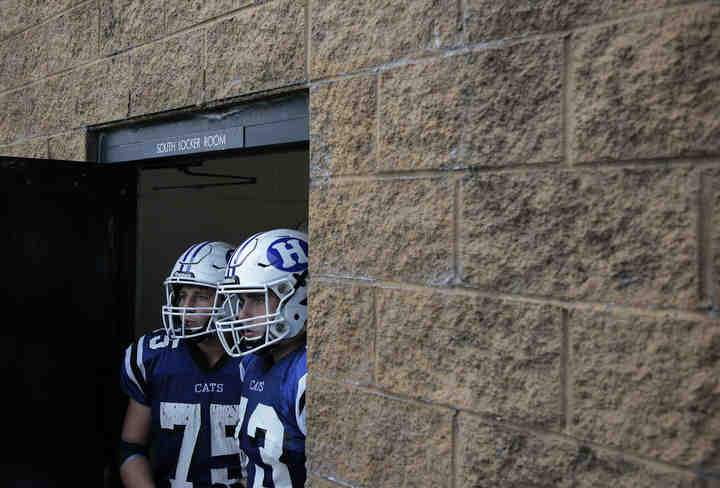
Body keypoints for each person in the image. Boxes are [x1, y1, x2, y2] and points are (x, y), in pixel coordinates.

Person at [118, 241, 246, 488]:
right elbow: (131, 448)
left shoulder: (257, 360)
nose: (185, 308)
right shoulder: (153, 356)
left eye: (200, 296)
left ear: (233, 300)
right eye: (182, 295)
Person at [213, 229, 308, 488]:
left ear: (299, 297)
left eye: (257, 298)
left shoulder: (305, 376)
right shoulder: (252, 363)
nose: (243, 315)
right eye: (242, 300)